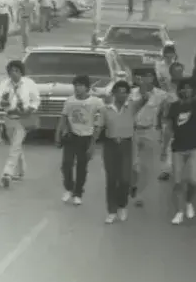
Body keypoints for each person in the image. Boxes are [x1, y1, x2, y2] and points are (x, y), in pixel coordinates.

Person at [0, 59, 41, 188]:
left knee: (15, 146)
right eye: (11, 71)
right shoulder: (5, 84)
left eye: (17, 71)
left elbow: (36, 100)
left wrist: (30, 109)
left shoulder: (29, 83)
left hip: (23, 118)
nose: (14, 73)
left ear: (21, 72)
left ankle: (7, 173)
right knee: (15, 145)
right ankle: (21, 171)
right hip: (9, 118)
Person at [163, 77, 196, 225]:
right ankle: (179, 211)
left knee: (194, 181)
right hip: (178, 147)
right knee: (177, 182)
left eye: (189, 88)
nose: (186, 90)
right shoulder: (174, 107)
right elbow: (168, 128)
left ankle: (189, 201)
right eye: (183, 88)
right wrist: (164, 148)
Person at [55, 74, 103, 206]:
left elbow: (99, 122)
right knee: (66, 164)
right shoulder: (70, 101)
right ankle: (69, 188)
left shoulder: (96, 102)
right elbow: (63, 118)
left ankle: (78, 193)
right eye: (75, 85)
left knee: (82, 167)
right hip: (72, 136)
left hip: (86, 137)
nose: (77, 88)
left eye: (81, 85)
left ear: (87, 87)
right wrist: (58, 134)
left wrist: (93, 143)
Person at [99, 81, 136, 223]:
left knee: (125, 179)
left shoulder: (132, 107)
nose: (122, 95)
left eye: (125, 92)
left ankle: (122, 205)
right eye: (119, 91)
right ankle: (111, 210)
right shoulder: (106, 109)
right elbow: (98, 127)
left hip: (126, 144)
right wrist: (91, 145)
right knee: (112, 178)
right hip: (110, 145)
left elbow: (145, 98)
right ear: (114, 93)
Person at [131, 71, 169, 207]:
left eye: (149, 76)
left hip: (151, 131)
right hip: (133, 130)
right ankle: (133, 184)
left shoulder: (161, 95)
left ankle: (140, 195)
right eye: (143, 76)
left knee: (146, 167)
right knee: (133, 164)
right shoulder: (132, 93)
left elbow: (165, 114)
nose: (146, 79)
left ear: (153, 78)